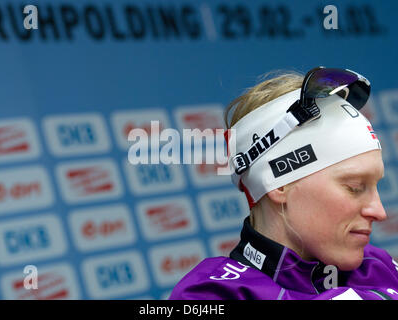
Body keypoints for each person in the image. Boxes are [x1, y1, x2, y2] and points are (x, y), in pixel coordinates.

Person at [169, 67, 398, 300]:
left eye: (375, 185)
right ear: (278, 183)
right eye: (354, 187)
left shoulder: (377, 266)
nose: (379, 211)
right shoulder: (210, 293)